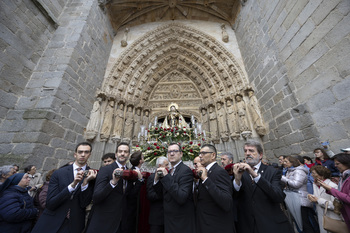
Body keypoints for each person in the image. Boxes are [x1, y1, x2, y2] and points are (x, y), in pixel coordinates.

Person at [32, 142, 97, 233]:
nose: (83, 154)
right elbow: (50, 203)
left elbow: (84, 203)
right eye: (80, 152)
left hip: (73, 224)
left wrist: (85, 183)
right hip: (51, 221)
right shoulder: (59, 173)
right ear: (75, 154)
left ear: (90, 155)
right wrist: (72, 185)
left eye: (86, 152)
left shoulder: (92, 175)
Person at [233, 140, 293, 233]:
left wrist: (255, 175)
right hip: (248, 226)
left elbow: (278, 196)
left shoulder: (272, 171)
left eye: (251, 151)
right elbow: (234, 198)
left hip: (271, 224)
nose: (247, 153)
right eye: (245, 151)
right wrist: (237, 180)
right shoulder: (240, 173)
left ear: (260, 155)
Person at [86, 142, 144, 233]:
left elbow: (130, 196)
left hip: (121, 223)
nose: (122, 153)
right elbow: (96, 197)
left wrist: (140, 180)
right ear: (116, 154)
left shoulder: (129, 172)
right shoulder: (106, 170)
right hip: (104, 222)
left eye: (125, 152)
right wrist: (113, 183)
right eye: (120, 151)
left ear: (128, 155)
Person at [152, 143, 196, 233]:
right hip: (169, 219)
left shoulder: (185, 171)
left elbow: (181, 197)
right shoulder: (170, 170)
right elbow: (161, 194)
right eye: (169, 152)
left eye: (175, 151)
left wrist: (167, 177)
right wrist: (156, 180)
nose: (171, 154)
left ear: (181, 154)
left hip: (181, 221)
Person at [196, 144, 236, 233]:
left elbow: (226, 202)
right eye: (200, 153)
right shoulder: (206, 171)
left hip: (217, 226)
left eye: (203, 153)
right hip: (206, 224)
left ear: (213, 155)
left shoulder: (219, 172)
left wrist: (206, 179)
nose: (200, 156)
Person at [281, 156, 318, 233]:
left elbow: (296, 184)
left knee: (305, 223)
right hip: (294, 199)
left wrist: (283, 178)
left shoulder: (299, 171)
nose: (284, 163)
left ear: (292, 162)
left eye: (286, 161)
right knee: (300, 223)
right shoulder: (289, 171)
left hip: (300, 199)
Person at [318, 153, 350, 231]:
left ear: (346, 163)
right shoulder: (343, 176)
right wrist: (328, 189)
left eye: (337, 163)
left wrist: (331, 189)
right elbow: (341, 192)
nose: (335, 166)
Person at [308, 165, 342, 233]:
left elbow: (336, 206)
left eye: (314, 173)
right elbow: (318, 196)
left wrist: (318, 200)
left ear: (322, 175)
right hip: (322, 217)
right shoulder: (315, 184)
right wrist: (311, 197)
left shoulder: (332, 186)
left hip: (332, 218)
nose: (312, 175)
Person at [147, 156, 169, 233]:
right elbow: (150, 195)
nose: (168, 167)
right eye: (166, 165)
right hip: (156, 217)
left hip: (168, 217)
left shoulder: (168, 176)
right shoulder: (152, 177)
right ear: (160, 166)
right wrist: (164, 195)